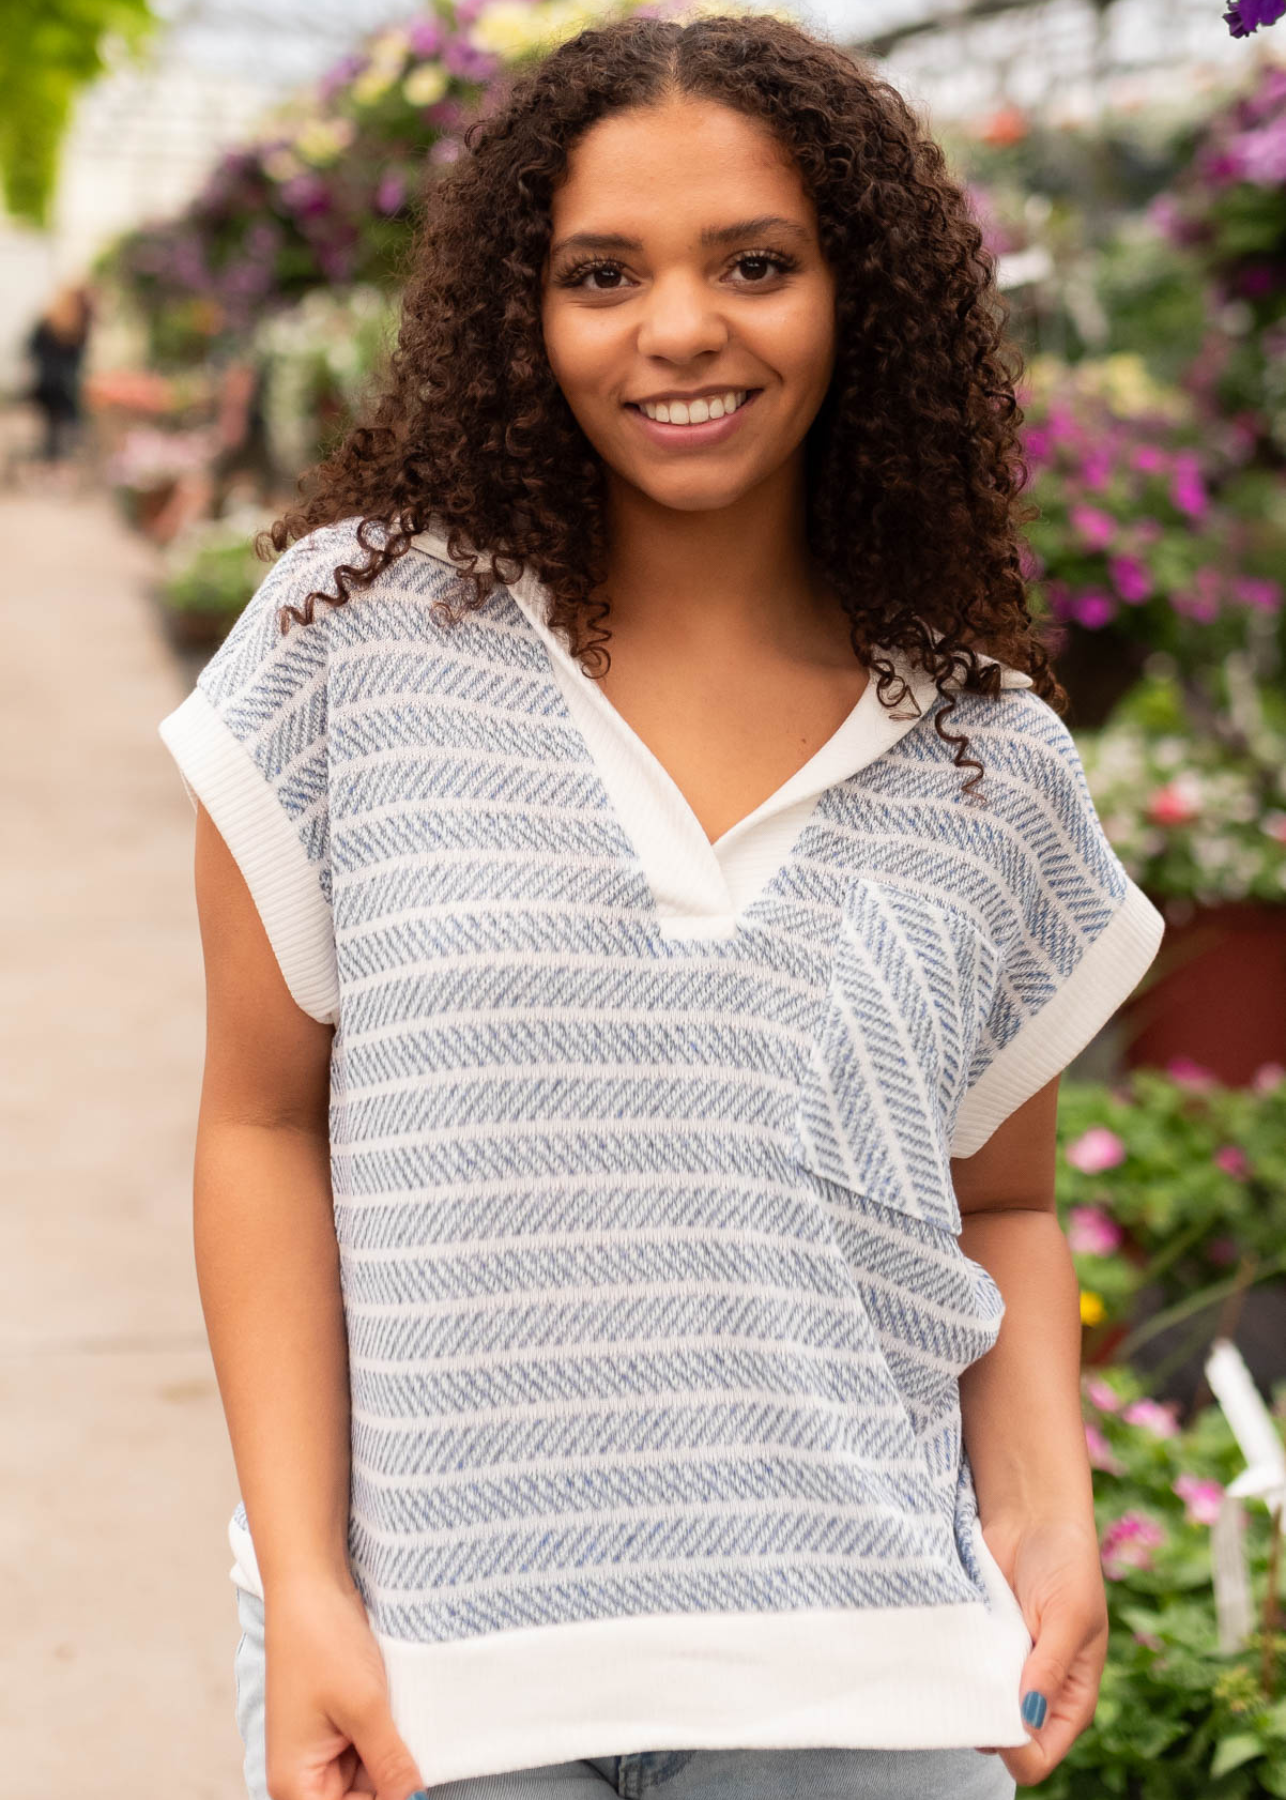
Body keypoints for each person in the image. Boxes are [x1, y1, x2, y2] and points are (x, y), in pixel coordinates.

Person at [157, 14, 1165, 1800]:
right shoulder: (353, 644)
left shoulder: (985, 763)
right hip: (428, 1687)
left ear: (861, 298)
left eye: (755, 264)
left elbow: (1000, 1208)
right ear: (520, 316)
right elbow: (256, 1125)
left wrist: (1053, 1522)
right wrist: (302, 1587)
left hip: (867, 1681)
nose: (679, 328)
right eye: (601, 273)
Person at [25, 280, 94, 468]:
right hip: (54, 384)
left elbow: (31, 350)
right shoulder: (70, 325)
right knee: (64, 412)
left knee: (56, 418)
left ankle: (54, 456)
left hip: (50, 384)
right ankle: (60, 455)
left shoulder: (53, 321)